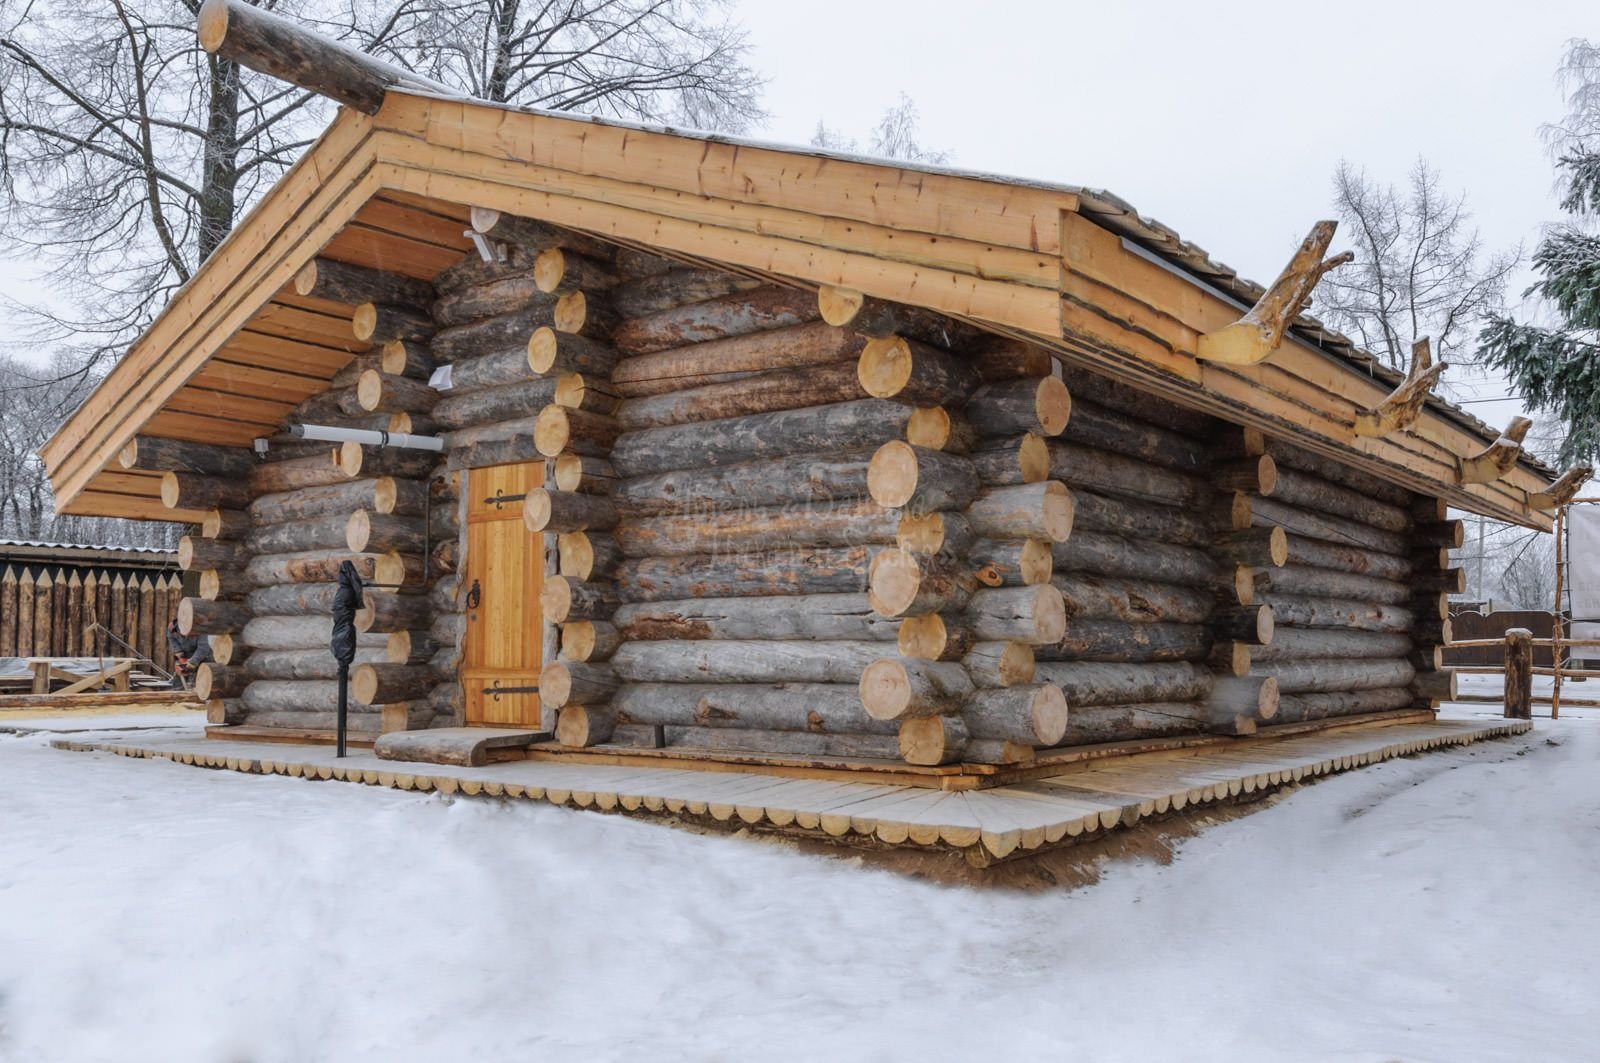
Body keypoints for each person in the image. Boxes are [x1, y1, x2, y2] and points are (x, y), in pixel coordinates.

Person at [166, 618, 210, 690]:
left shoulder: (201, 630)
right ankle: (177, 692)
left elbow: (203, 648)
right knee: (179, 675)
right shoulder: (172, 627)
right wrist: (178, 651)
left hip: (203, 655)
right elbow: (171, 638)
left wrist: (194, 661)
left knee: (201, 679)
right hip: (186, 652)